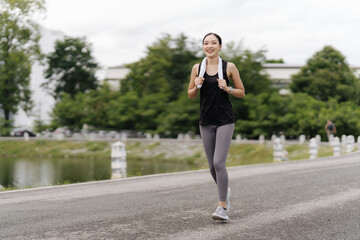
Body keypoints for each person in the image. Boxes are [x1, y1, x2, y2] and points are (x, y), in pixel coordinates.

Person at [188, 33, 245, 221]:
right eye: (206, 43)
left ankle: (222, 207)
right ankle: (225, 190)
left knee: (219, 162)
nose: (209, 46)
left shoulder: (229, 67)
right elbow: (190, 94)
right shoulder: (197, 68)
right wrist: (196, 86)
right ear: (203, 46)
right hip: (206, 120)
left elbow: (241, 92)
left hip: (225, 120)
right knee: (212, 165)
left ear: (220, 46)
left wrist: (227, 88)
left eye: (213, 43)